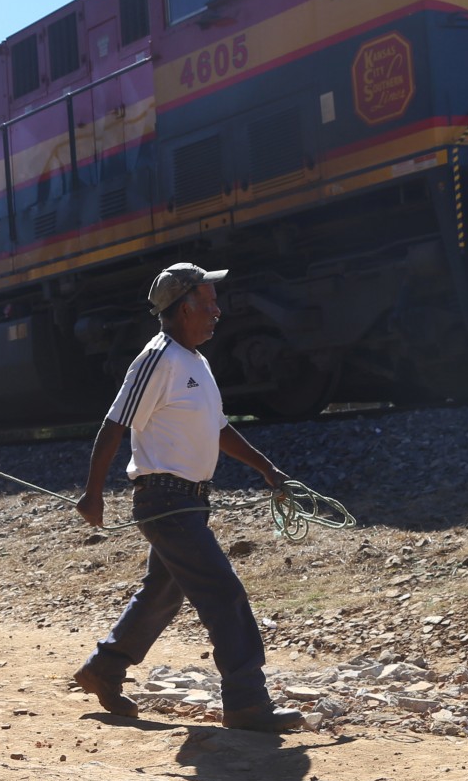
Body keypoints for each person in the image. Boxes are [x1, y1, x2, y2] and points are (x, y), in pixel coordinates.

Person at [71, 262, 305, 734]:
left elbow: (218, 429)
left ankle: (103, 669)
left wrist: (267, 469)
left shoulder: (196, 361)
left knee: (162, 591)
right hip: (165, 501)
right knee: (223, 593)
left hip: (190, 502)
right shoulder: (157, 358)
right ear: (181, 309)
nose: (218, 310)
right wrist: (92, 494)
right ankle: (246, 702)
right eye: (208, 302)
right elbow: (114, 425)